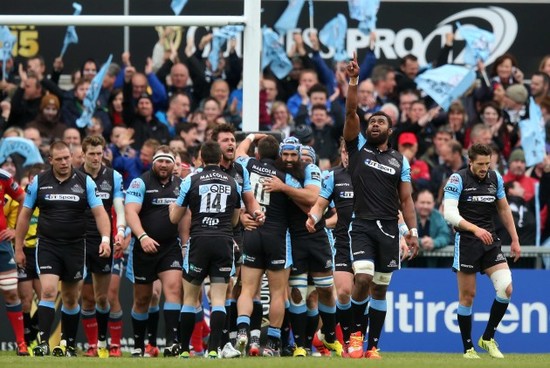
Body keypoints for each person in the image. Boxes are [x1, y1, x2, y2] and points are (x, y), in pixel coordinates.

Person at [343, 54, 419, 359]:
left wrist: (411, 231)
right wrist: (353, 81)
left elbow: (406, 199)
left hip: (389, 228)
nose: (374, 124)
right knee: (361, 280)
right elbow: (350, 112)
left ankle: (373, 345)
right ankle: (355, 336)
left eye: (380, 122)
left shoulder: (399, 160)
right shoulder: (357, 149)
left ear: (390, 131)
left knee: (380, 289)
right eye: (372, 121)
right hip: (361, 224)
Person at [15, 141, 112, 357]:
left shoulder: (85, 181)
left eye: (67, 158)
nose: (64, 162)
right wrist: (19, 247)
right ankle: (42, 343)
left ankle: (67, 344)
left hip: (76, 246)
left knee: (70, 298)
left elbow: (100, 213)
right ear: (50, 160)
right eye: (59, 159)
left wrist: (106, 239)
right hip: (48, 245)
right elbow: (24, 215)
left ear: (72, 157)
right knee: (48, 291)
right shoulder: (39, 182)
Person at [169, 141, 260, 359]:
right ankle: (213, 349)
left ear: (200, 157)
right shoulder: (232, 182)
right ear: (220, 158)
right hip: (223, 242)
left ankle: (183, 350)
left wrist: (173, 208)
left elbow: (175, 218)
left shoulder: (191, 179)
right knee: (219, 298)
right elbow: (236, 219)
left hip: (199, 241)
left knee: (190, 298)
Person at [262, 137, 343, 358]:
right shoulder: (275, 172)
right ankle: (300, 345)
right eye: (285, 155)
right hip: (292, 239)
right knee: (297, 293)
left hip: (316, 236)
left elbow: (312, 198)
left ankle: (328, 335)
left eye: (295, 155)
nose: (290, 159)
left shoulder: (310, 170)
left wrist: (284, 188)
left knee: (324, 289)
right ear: (280, 154)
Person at [443, 143, 521, 359]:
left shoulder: (495, 178)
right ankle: (468, 348)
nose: (484, 168)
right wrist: (475, 229)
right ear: (470, 162)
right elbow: (449, 213)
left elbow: (504, 208)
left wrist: (514, 238)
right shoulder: (457, 179)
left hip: (490, 241)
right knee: (468, 297)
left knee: (506, 288)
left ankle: (487, 338)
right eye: (480, 164)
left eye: (487, 163)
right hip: (467, 241)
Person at [235, 134, 292, 357]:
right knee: (278, 293)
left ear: (257, 154)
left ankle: (242, 330)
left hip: (252, 232)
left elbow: (240, 150)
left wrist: (251, 136)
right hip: (276, 235)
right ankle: (272, 343)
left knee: (248, 289)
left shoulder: (248, 164)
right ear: (278, 156)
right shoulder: (285, 176)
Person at [125, 146, 183, 357]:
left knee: (173, 290)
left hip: (170, 247)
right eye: (160, 161)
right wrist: (142, 237)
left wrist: (185, 245)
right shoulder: (140, 182)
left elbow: (185, 218)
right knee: (142, 299)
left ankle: (171, 343)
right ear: (153, 162)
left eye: (168, 161)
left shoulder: (181, 185)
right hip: (144, 248)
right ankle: (139, 346)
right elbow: (130, 211)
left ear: (174, 164)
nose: (164, 165)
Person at [79, 136, 126, 358]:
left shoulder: (113, 177)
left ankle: (109, 342)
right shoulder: (75, 176)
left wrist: (120, 232)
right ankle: (92, 345)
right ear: (83, 154)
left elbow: (119, 207)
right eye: (92, 154)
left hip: (103, 241)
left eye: (100, 153)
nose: (97, 158)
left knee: (103, 297)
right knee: (85, 297)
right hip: (78, 241)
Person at [306, 138, 354, 350]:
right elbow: (328, 212)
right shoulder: (331, 177)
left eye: (350, 152)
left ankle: (326, 336)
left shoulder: (370, 177)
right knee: (336, 293)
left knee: (360, 294)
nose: (347, 156)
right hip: (339, 243)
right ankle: (334, 339)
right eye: (344, 152)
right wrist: (319, 221)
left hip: (367, 240)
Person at [0, 164, 28, 356]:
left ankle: (21, 344)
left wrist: (16, 229)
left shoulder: (3, 176)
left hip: (1, 244)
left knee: (11, 292)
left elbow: (23, 198)